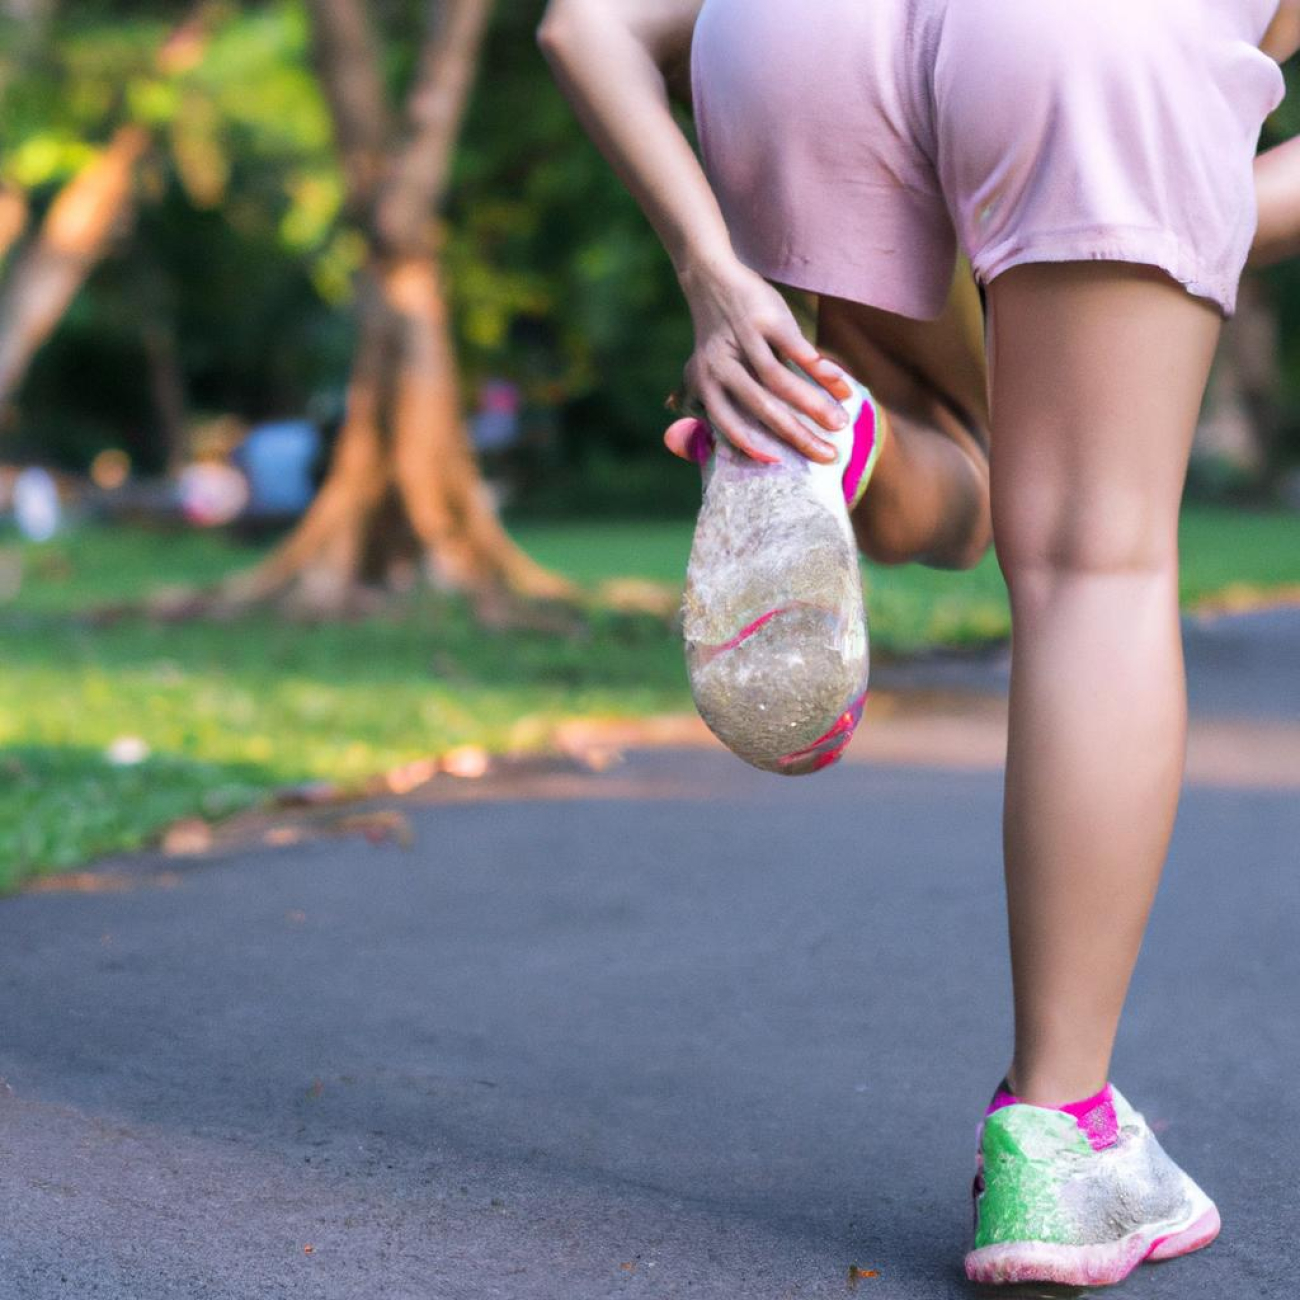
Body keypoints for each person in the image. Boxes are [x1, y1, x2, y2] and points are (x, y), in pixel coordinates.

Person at [538, 0, 1300, 1286]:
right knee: (1091, 566)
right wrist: (1161, 176)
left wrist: (717, 281)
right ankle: (1062, 1134)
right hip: (1094, 46)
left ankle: (843, 432)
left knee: (976, 463)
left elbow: (583, 26)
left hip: (804, 37)